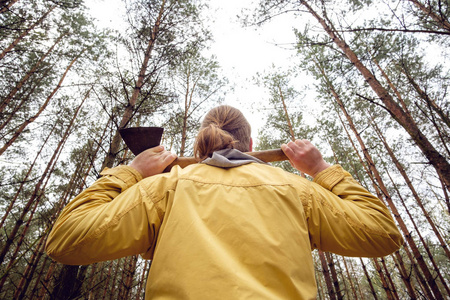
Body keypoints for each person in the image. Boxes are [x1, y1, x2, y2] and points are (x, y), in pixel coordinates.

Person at [46, 105, 403, 299]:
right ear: (250, 146)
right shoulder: (297, 190)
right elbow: (382, 234)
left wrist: (131, 173)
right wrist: (321, 169)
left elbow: (66, 242)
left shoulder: (164, 188)